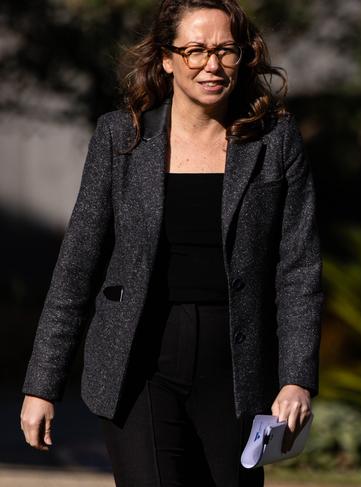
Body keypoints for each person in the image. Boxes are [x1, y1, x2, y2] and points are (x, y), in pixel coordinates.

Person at [20, 0, 322, 485]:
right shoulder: (122, 137)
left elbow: (299, 270)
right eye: (196, 50)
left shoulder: (275, 140)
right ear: (166, 57)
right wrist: (42, 385)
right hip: (138, 361)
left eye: (226, 50)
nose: (212, 64)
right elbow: (78, 265)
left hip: (237, 366)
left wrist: (297, 377)